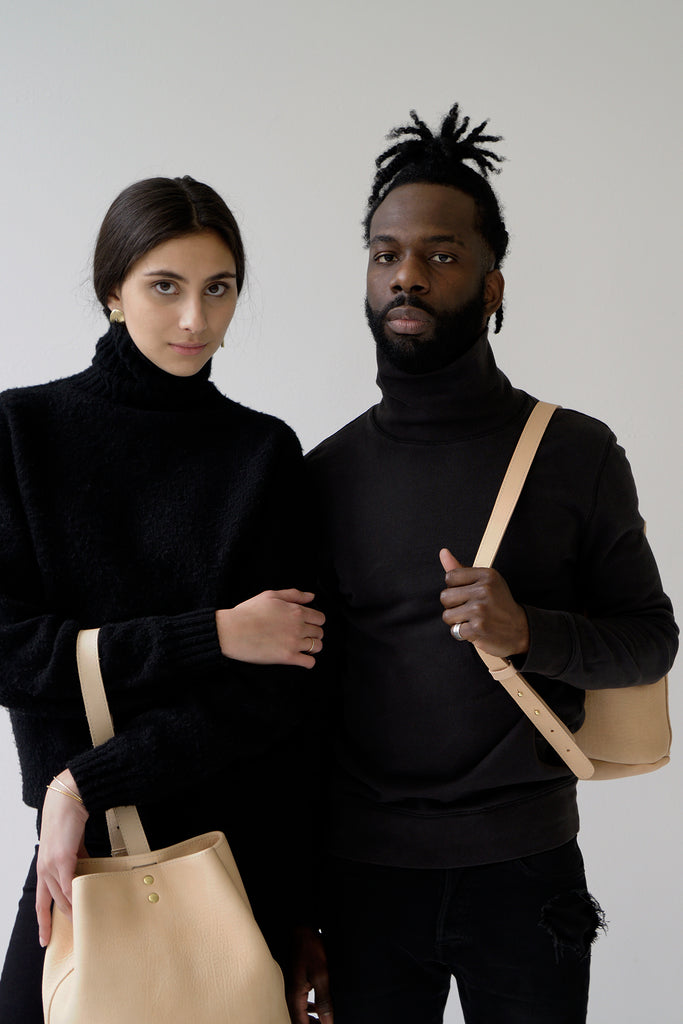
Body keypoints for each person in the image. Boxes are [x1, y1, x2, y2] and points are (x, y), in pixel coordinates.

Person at [291, 104, 678, 1024]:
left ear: (494, 287)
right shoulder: (321, 475)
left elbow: (650, 642)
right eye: (385, 255)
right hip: (364, 881)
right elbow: (299, 713)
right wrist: (295, 908)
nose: (407, 278)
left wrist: (526, 631)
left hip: (525, 870)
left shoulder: (575, 452)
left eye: (440, 254)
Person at [0, 175, 325, 1023]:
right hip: (82, 876)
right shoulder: (20, 435)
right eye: (165, 287)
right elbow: (9, 653)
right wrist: (210, 634)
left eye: (218, 289)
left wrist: (82, 781)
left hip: (234, 863)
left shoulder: (261, 454)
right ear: (112, 291)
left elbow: (276, 695)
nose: (196, 320)